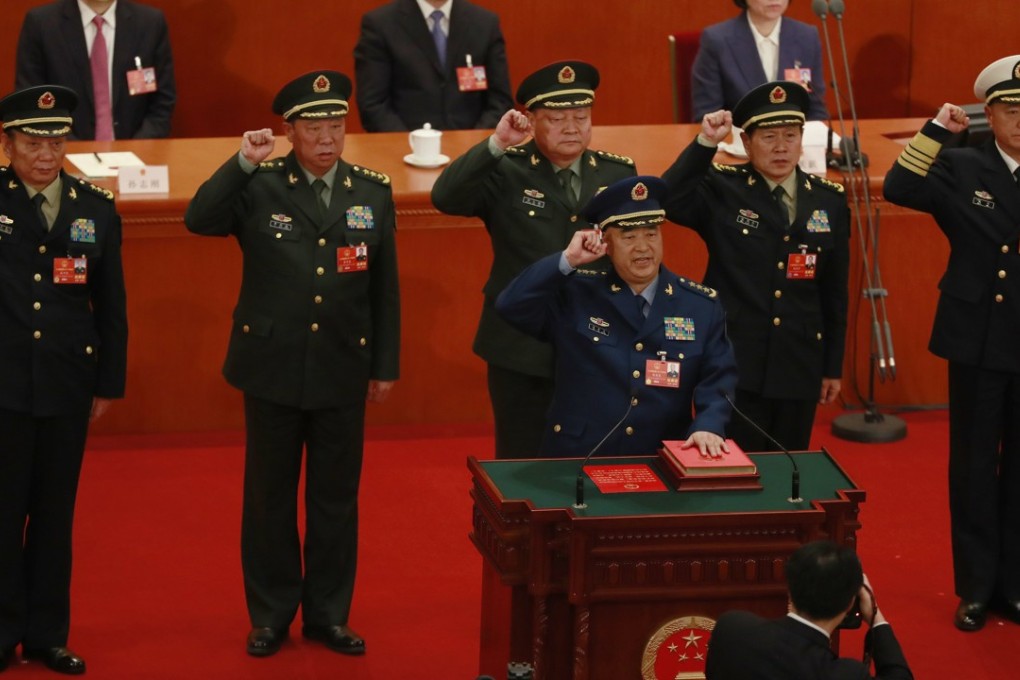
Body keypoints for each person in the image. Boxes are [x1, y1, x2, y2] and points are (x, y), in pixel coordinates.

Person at [183, 70, 400, 657]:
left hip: (341, 367)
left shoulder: (372, 191)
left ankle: (329, 614)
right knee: (269, 497)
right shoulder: (259, 184)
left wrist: (384, 364)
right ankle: (272, 612)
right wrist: (242, 163)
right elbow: (199, 218)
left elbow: (385, 289)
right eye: (314, 127)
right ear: (289, 131)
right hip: (272, 362)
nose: (327, 139)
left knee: (335, 500)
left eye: (336, 126)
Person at [431, 60, 637, 459]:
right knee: (522, 463)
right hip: (520, 344)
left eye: (581, 116)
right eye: (558, 119)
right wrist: (497, 143)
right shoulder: (506, 169)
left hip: (597, 343)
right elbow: (445, 198)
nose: (572, 128)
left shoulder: (618, 173)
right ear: (531, 122)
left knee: (594, 462)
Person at [882, 55, 1020, 633]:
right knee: (971, 465)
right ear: (988, 113)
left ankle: (1013, 586)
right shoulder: (964, 166)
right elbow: (899, 186)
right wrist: (937, 131)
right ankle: (975, 588)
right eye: (1012, 110)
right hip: (978, 338)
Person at [0, 84, 128, 675]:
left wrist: (108, 381)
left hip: (66, 383)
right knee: (3, 514)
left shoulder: (94, 207)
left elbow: (111, 304)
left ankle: (48, 634)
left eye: (55, 141)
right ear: (8, 145)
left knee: (54, 516)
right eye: (32, 142)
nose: (45, 154)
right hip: (2, 386)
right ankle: (3, 633)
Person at [661, 81, 850, 452]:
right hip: (734, 363)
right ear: (746, 143)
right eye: (769, 137)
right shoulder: (724, 189)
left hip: (799, 363)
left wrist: (832, 366)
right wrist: (705, 144)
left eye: (790, 135)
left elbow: (834, 291)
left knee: (788, 469)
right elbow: (668, 197)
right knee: (732, 473)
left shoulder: (829, 200)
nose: (781, 147)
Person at [495, 176, 737, 457]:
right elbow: (510, 305)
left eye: (651, 234)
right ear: (604, 242)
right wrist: (567, 261)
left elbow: (718, 376)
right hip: (579, 455)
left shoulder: (700, 305)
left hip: (660, 455)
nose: (643, 247)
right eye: (629, 237)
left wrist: (708, 424)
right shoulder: (576, 293)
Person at [705, 540, 913, 679]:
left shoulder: (731, 629)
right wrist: (877, 619)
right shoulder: (844, 674)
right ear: (850, 603)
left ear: (791, 591)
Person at [16, 0, 177, 140]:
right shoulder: (41, 24)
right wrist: (68, 147)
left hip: (136, 157)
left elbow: (162, 103)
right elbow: (32, 101)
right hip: (63, 154)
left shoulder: (150, 23)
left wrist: (136, 148)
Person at [354, 0, 513, 132]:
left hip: (475, 154)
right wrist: (411, 145)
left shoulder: (485, 23)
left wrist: (475, 149)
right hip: (404, 153)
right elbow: (373, 104)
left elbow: (500, 100)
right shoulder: (380, 24)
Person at [691, 0, 828, 123]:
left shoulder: (807, 37)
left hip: (795, 143)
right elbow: (708, 114)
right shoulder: (717, 40)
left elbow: (815, 108)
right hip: (740, 143)